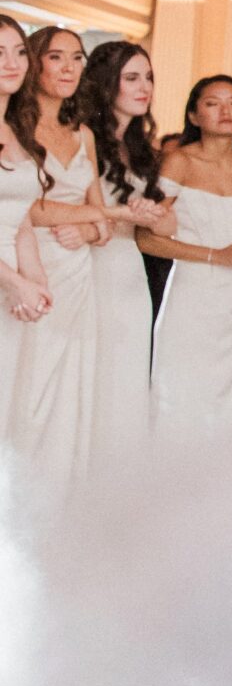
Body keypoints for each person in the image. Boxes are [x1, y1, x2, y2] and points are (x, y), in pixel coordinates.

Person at [9, 25, 106, 510]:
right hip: (29, 259)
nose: (69, 68)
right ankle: (18, 493)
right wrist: (93, 217)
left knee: (69, 382)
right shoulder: (17, 127)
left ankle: (55, 496)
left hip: (74, 268)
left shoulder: (84, 134)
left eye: (77, 57)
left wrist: (90, 230)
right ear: (36, 63)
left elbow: (102, 218)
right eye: (56, 57)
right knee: (25, 380)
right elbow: (25, 208)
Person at [144, 76, 232, 434]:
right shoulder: (178, 162)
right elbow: (147, 239)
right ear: (194, 114)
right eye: (213, 103)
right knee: (184, 394)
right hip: (192, 294)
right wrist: (218, 255)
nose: (225, 111)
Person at [76, 41, 174, 461]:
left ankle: (118, 471)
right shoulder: (81, 138)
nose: (144, 87)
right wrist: (124, 215)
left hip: (130, 270)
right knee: (90, 370)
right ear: (106, 82)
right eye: (131, 78)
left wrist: (153, 215)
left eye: (148, 77)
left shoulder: (143, 150)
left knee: (127, 371)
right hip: (89, 263)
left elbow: (165, 225)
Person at [0, 14, 52, 449]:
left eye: (19, 51)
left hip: (11, 285)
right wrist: (14, 282)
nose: (11, 63)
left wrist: (35, 278)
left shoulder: (17, 127)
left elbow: (20, 219)